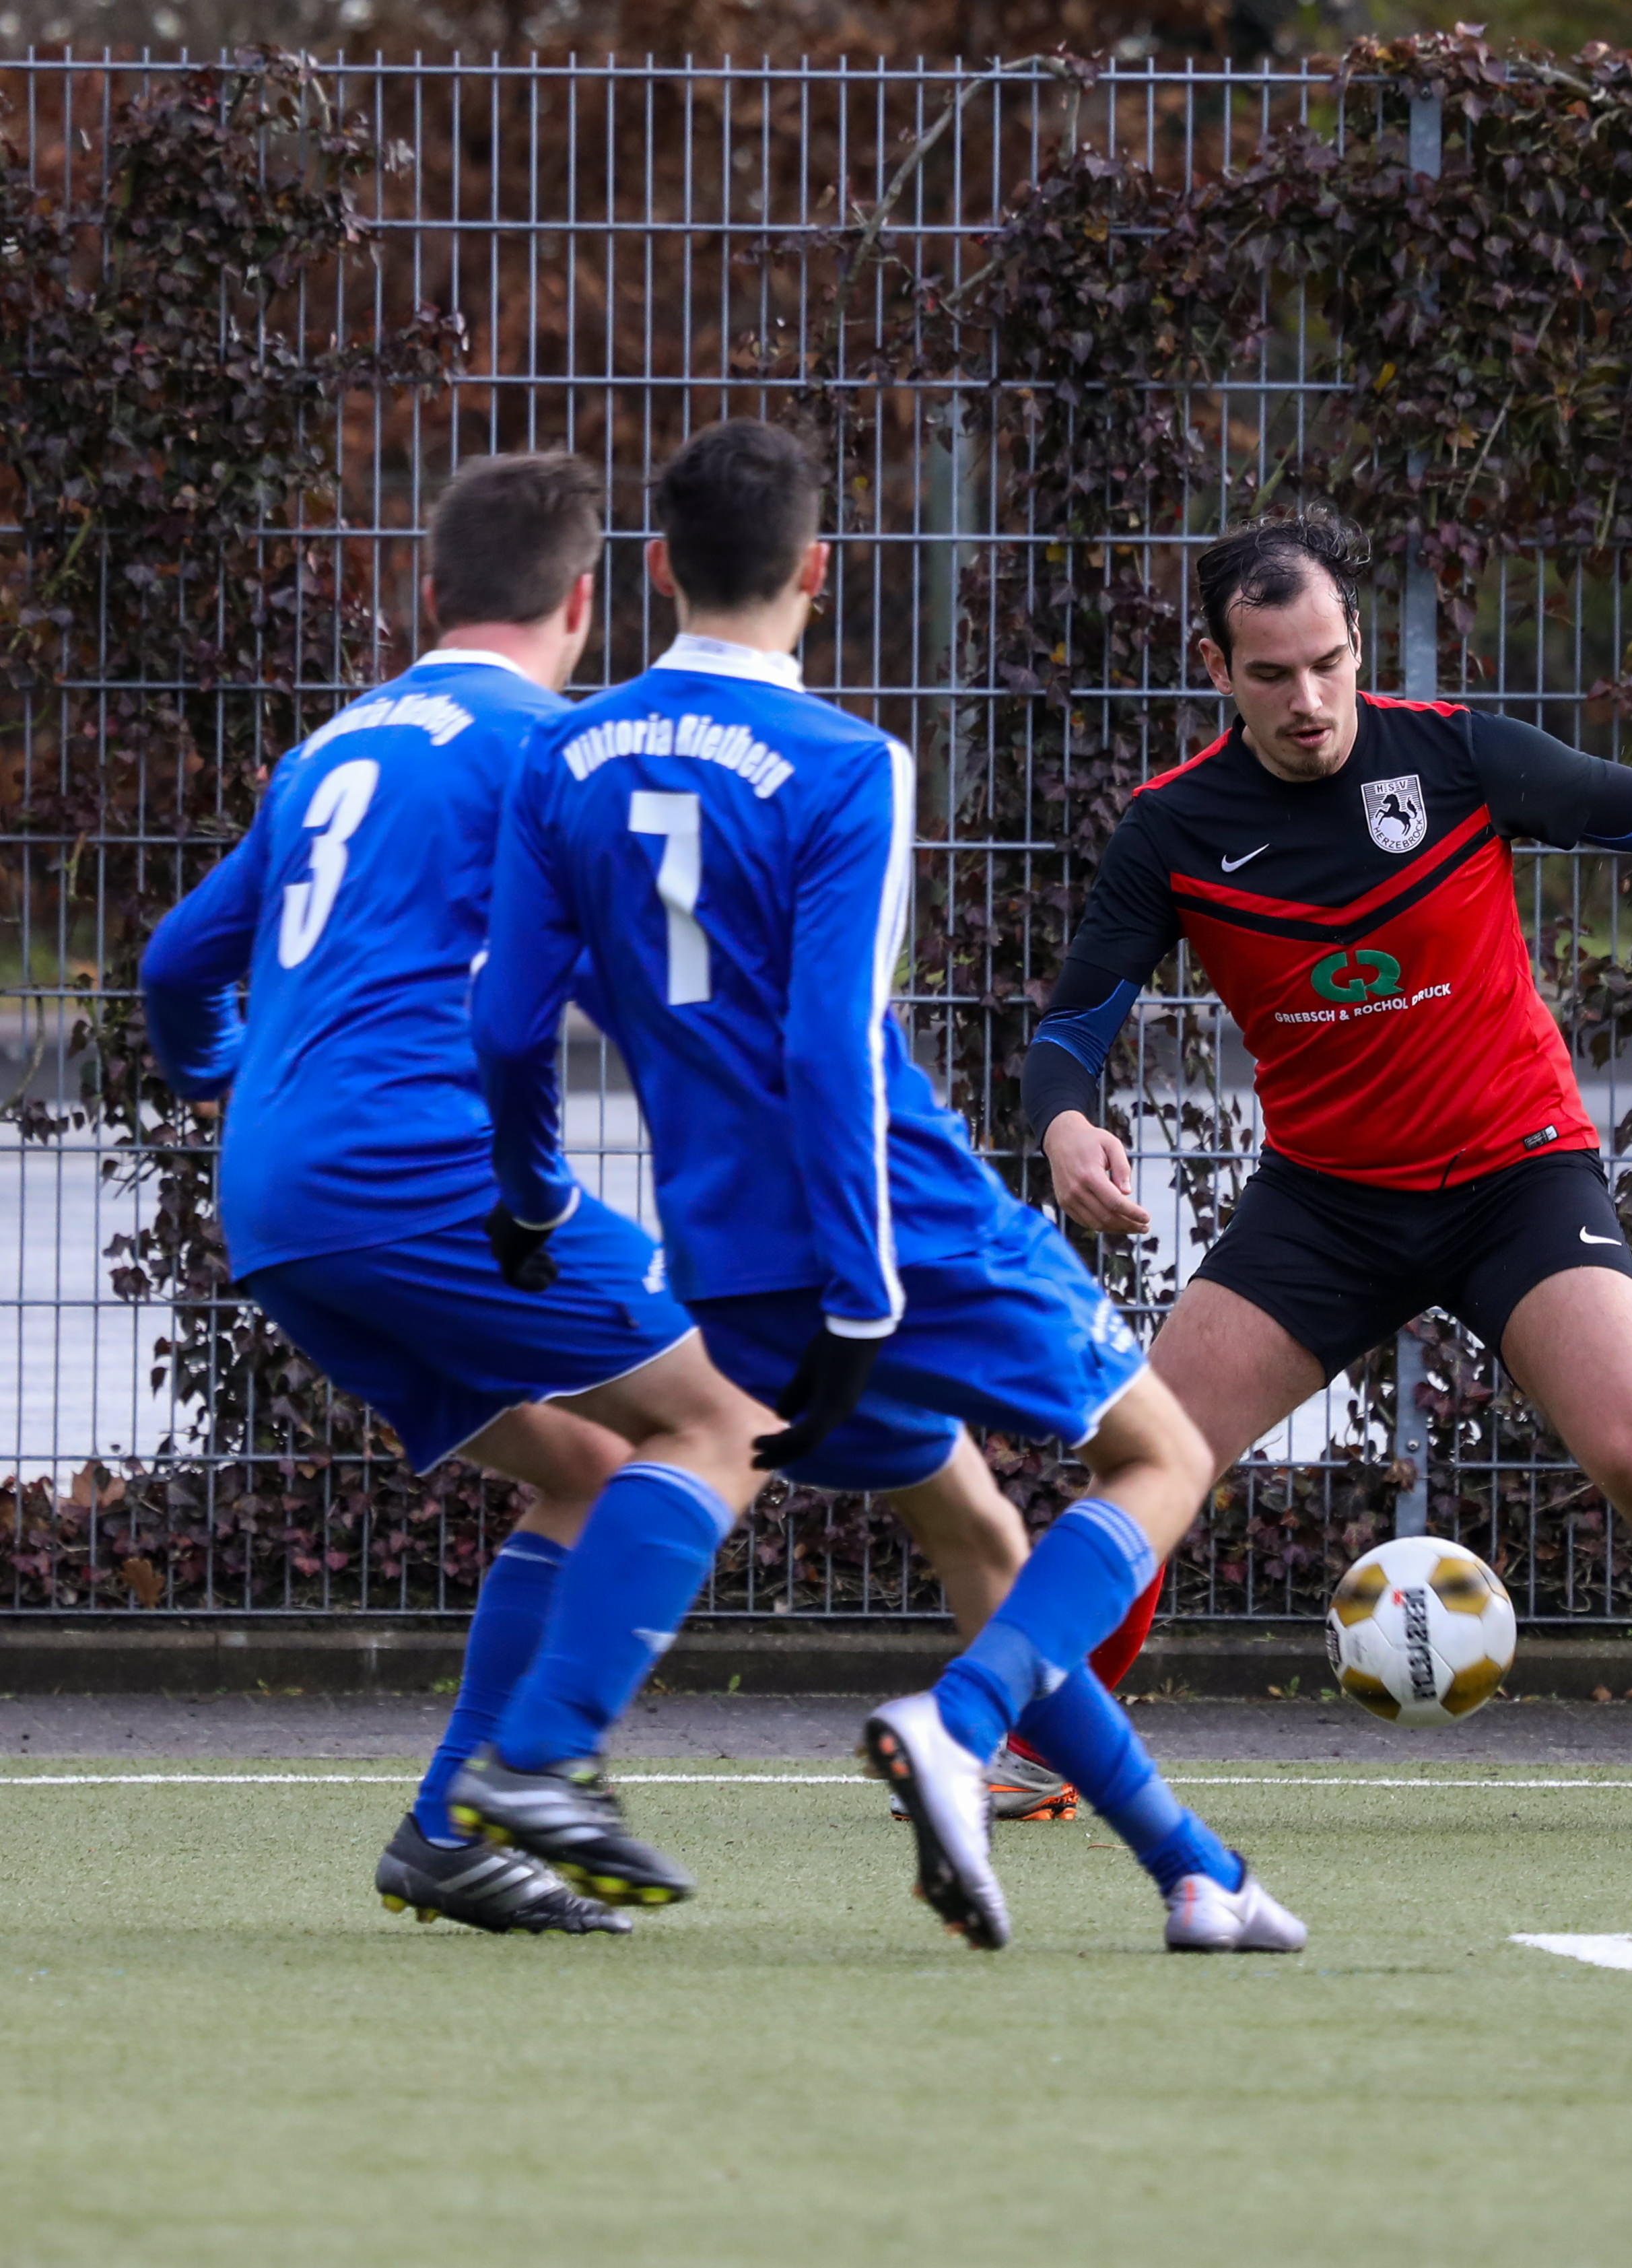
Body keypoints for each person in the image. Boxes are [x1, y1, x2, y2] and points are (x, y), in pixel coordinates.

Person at [469, 419, 1289, 1954]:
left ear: (657, 568)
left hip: (723, 1253)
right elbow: (830, 1043)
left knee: (975, 1528)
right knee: (1162, 1455)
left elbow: (508, 1021)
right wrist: (865, 1292)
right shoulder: (848, 763)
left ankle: (1198, 1872)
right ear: (819, 571)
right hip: (897, 1226)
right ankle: (958, 1723)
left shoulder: (560, 756)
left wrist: (527, 1199)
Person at [1018, 506, 1632, 1811]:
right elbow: (1074, 1028)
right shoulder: (1172, 828)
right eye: (1271, 674)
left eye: (1328, 662)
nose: (1309, 700)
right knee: (1149, 1460)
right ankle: (1051, 1745)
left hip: (1515, 1178)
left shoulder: (1460, 756)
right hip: (1325, 1203)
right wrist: (1066, 1123)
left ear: (1357, 641)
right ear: (1215, 668)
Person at [135, 454, 807, 1935]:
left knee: (590, 1460)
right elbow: (651, 985)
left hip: (278, 1203)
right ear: (586, 601)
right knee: (736, 1412)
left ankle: (448, 1832)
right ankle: (542, 1768)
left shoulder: (330, 746)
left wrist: (230, 1083)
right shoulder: (553, 748)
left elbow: (176, 964)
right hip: (415, 1173)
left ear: (430, 593)